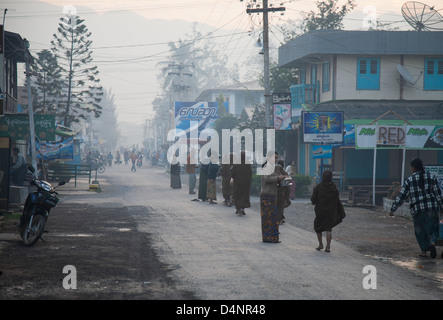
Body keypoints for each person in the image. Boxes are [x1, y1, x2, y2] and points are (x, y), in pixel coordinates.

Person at [390, 158, 443, 258]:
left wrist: (393, 209)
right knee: (433, 229)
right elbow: (438, 194)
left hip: (418, 210)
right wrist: (441, 206)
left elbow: (402, 196)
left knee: (420, 231)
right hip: (432, 208)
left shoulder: (409, 180)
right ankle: (432, 243)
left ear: (413, 168)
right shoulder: (432, 177)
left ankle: (423, 251)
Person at [311, 170, 346, 253]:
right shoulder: (334, 188)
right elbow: (337, 200)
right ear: (331, 178)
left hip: (320, 212)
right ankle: (328, 247)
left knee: (317, 228)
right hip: (331, 212)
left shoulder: (318, 187)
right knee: (328, 229)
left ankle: (320, 244)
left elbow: (313, 200)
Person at [260, 151, 286, 243]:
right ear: (268, 158)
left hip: (272, 195)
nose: (276, 159)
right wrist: (278, 178)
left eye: (276, 158)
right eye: (274, 157)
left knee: (273, 217)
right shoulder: (267, 167)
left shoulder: (273, 167)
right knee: (267, 218)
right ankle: (268, 237)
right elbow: (266, 179)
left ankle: (272, 237)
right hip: (267, 195)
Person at [231, 151, 252, 216]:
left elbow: (233, 173)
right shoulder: (248, 163)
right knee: (244, 195)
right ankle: (242, 208)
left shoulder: (236, 163)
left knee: (238, 195)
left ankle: (238, 208)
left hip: (238, 183)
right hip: (246, 183)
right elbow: (250, 173)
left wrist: (232, 178)